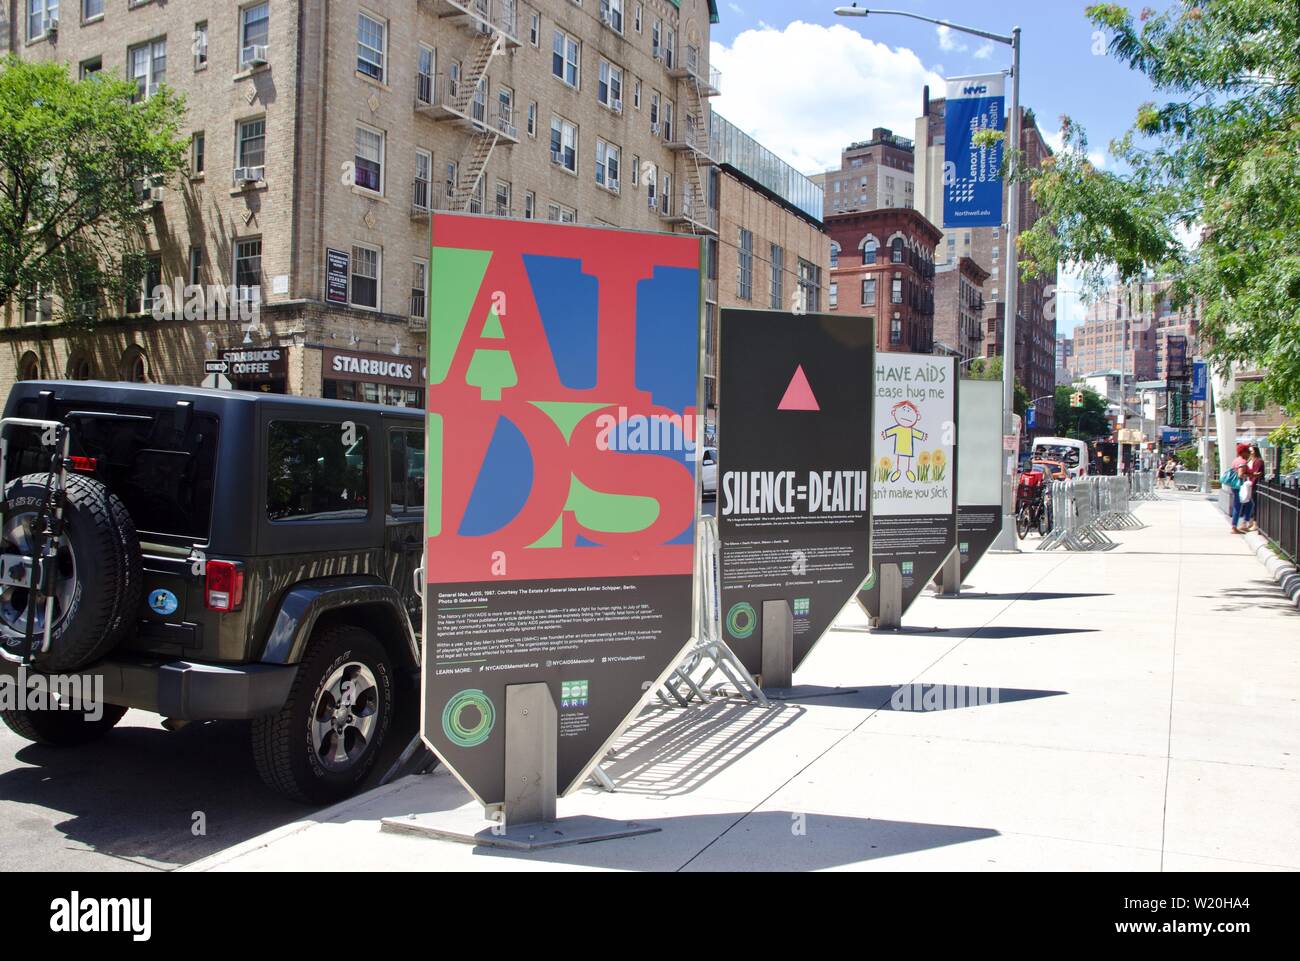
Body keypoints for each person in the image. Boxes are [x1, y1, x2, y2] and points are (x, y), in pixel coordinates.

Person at [1240, 444, 1266, 532]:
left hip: (1255, 485)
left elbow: (1257, 473)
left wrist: (1252, 482)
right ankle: (1249, 522)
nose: (1250, 452)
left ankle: (1254, 523)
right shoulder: (1249, 460)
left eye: (1251, 451)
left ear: (1255, 451)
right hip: (1249, 484)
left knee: (1254, 504)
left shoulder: (1259, 461)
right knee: (1249, 503)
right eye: (1249, 451)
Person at [1227, 443, 1249, 533]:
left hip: (1234, 485)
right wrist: (1250, 474)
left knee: (1247, 503)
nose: (1248, 453)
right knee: (1238, 505)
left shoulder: (1235, 460)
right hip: (1239, 486)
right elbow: (1240, 474)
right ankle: (1235, 526)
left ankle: (1242, 523)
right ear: (1243, 452)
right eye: (1247, 451)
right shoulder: (1242, 462)